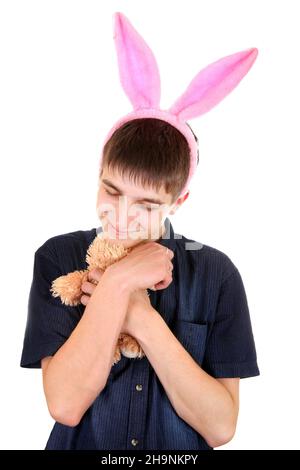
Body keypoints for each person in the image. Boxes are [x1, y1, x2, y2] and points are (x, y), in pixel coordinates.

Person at [20, 12, 260, 450]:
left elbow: (221, 426)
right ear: (98, 172)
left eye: (146, 205)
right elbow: (65, 404)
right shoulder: (57, 259)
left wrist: (141, 317)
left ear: (178, 201)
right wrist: (120, 281)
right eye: (111, 191)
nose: (122, 215)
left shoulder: (216, 274)